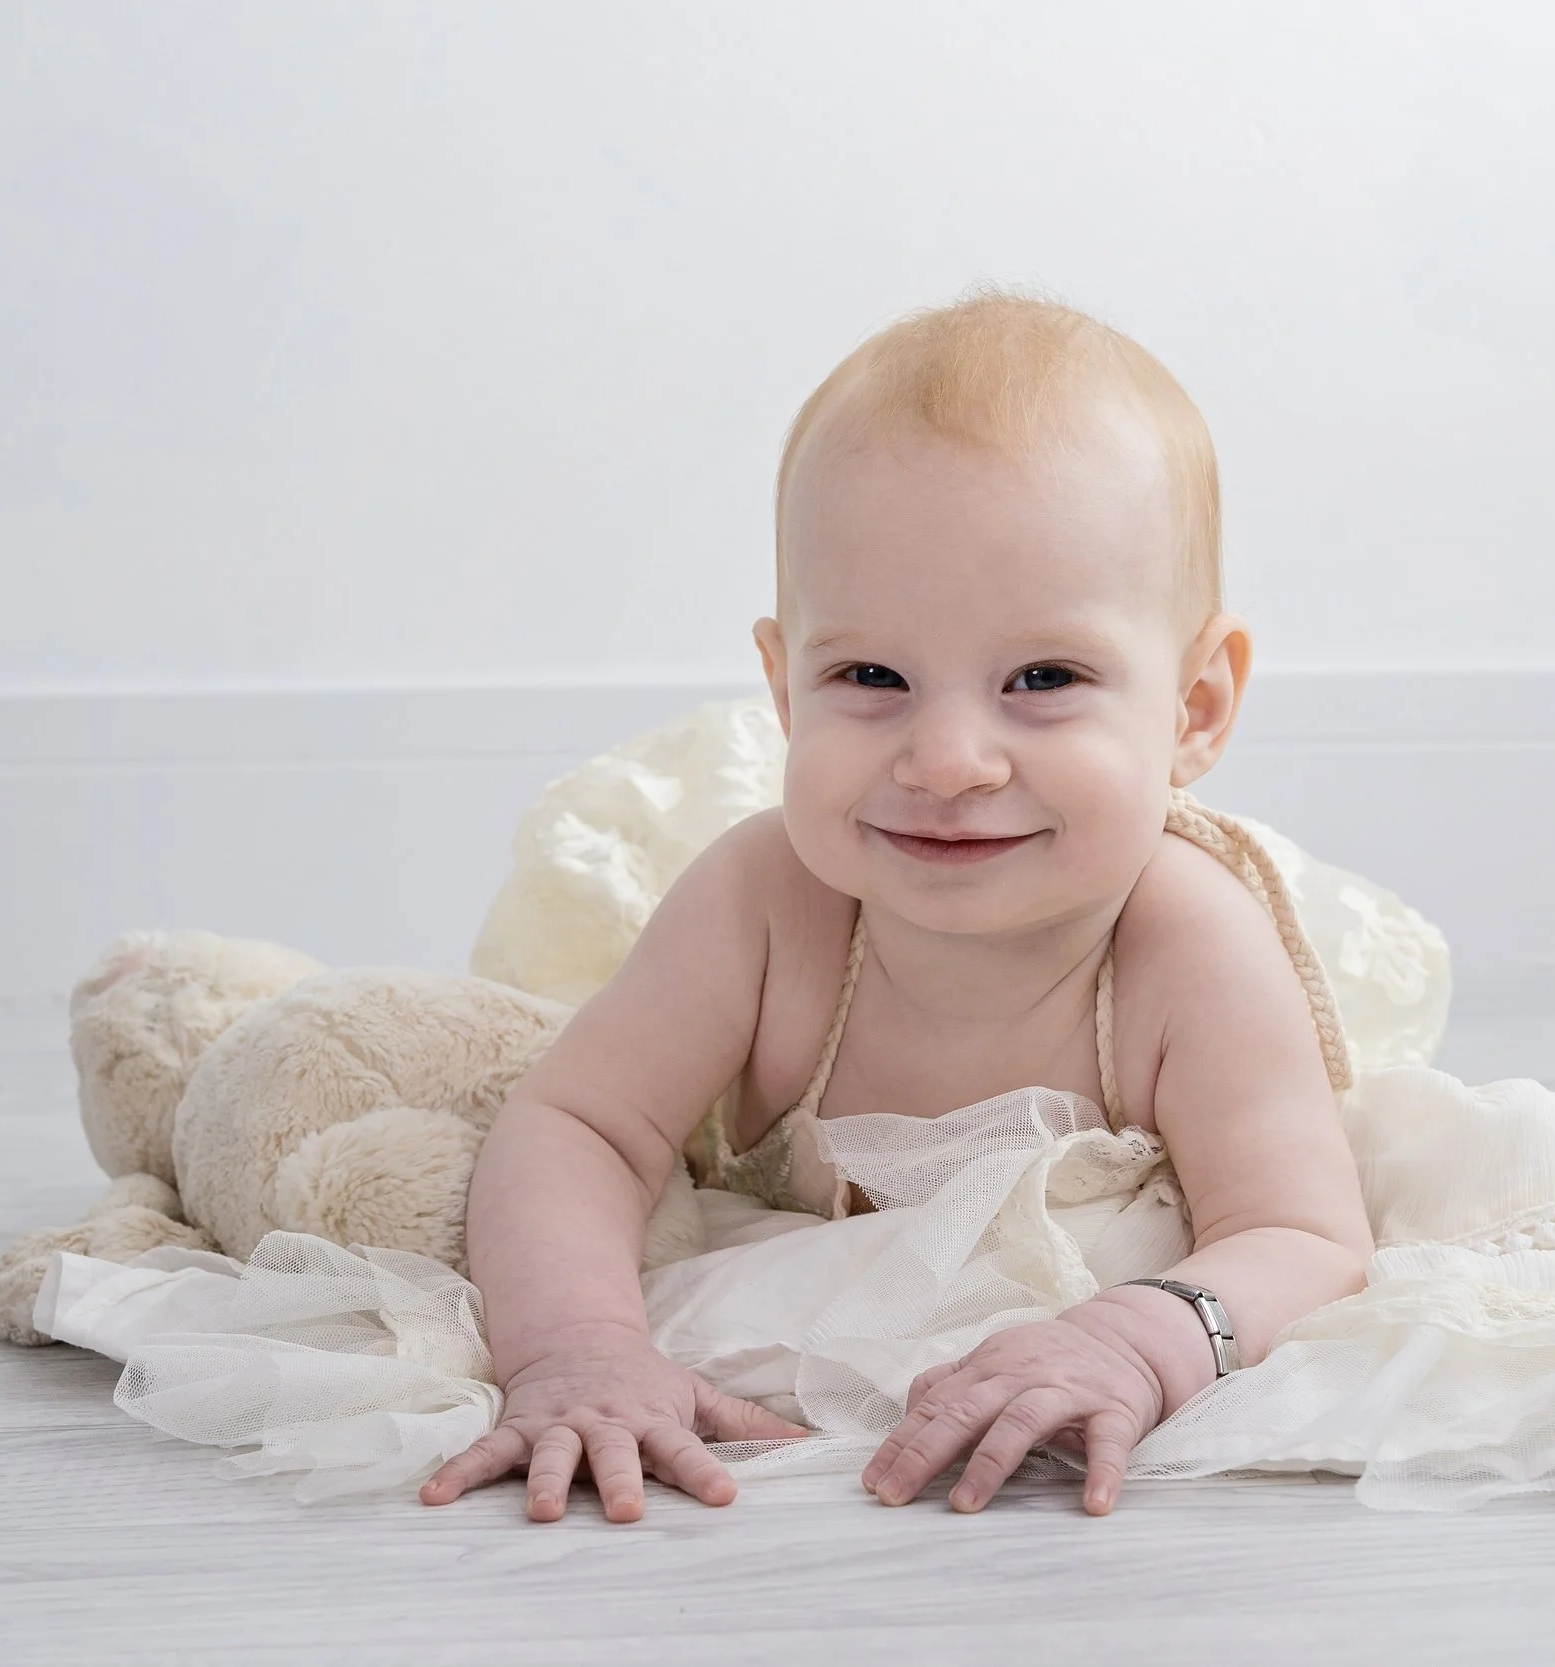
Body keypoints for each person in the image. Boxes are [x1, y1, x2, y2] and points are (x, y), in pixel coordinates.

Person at [421, 292, 1377, 1523]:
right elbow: (575, 1125)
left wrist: (1141, 1339)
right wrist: (576, 1346)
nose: (946, 758)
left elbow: (1302, 1233)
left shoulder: (1184, 943)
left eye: (1043, 678)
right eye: (869, 676)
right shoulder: (765, 901)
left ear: (1194, 708)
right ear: (781, 684)